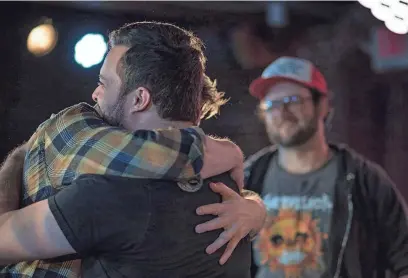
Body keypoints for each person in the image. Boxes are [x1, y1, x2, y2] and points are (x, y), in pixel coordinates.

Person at [0, 21, 266, 277]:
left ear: (139, 99)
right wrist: (256, 206)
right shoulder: (230, 191)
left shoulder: (109, 192)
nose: (95, 94)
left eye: (104, 83)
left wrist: (19, 161)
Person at [242, 56, 408, 278]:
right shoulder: (248, 177)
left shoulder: (363, 179)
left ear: (322, 105)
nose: (282, 112)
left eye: (293, 100)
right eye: (272, 104)